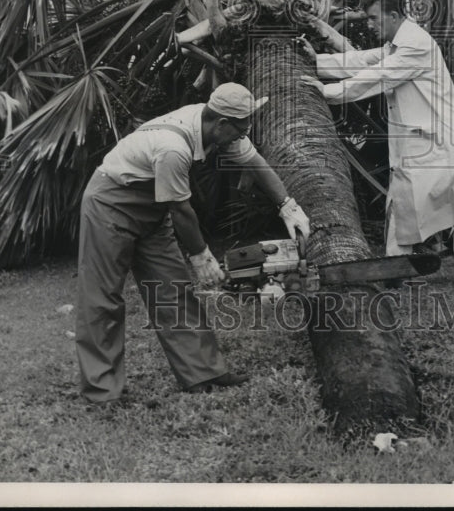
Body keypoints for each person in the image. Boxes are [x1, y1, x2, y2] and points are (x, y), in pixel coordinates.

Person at [75, 82, 311, 405]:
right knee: (102, 297)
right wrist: (202, 257)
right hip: (111, 203)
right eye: (240, 131)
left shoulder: (217, 127)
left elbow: (255, 162)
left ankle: (203, 373)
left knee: (173, 288)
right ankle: (102, 393)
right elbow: (180, 209)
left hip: (153, 209)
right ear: (222, 124)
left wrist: (288, 206)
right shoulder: (174, 147)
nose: (243, 137)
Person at [300, 0, 454, 288]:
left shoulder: (416, 45)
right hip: (429, 141)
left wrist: (328, 92)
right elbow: (365, 60)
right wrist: (317, 61)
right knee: (411, 202)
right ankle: (400, 270)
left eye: (374, 18)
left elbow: (378, 76)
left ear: (394, 16)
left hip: (439, 141)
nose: (370, 24)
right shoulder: (399, 43)